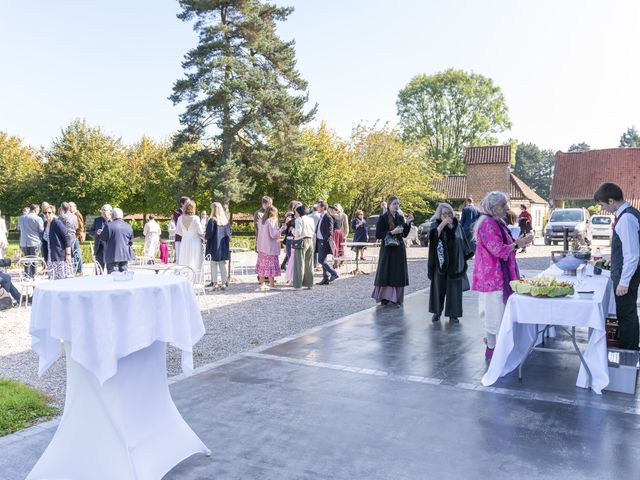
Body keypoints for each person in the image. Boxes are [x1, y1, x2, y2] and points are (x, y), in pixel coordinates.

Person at [472, 192, 533, 359]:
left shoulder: (495, 221)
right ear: (493, 208)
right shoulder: (488, 224)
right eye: (503, 205)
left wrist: (517, 243)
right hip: (493, 277)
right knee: (494, 313)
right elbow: (498, 249)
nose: (507, 208)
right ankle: (492, 348)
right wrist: (519, 243)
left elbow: (504, 245)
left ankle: (496, 347)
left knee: (497, 311)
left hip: (496, 275)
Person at [594, 182, 640, 350]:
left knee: (626, 315)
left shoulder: (626, 218)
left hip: (625, 276)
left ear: (611, 201)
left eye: (602, 204)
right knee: (626, 314)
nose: (602, 208)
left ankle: (629, 353)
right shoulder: (628, 214)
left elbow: (633, 255)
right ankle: (629, 349)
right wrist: (614, 260)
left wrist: (624, 282)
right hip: (623, 272)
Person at [428, 203, 473, 323]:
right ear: (439, 215)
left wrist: (467, 255)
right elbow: (432, 240)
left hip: (455, 264)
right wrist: (442, 225)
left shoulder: (458, 226)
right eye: (444, 214)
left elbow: (463, 241)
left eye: (450, 213)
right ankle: (437, 312)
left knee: (454, 291)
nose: (448, 216)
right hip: (441, 264)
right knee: (438, 289)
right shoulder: (436, 225)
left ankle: (454, 314)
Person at [371, 196, 413, 306]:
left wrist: (407, 223)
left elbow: (404, 234)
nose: (397, 206)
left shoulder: (399, 217)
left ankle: (395, 299)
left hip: (398, 249)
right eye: (394, 204)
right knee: (386, 272)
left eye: (398, 204)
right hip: (388, 250)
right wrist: (391, 232)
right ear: (389, 205)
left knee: (397, 273)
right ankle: (385, 297)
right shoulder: (383, 218)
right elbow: (378, 234)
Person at [41, 204, 74, 280]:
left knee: (61, 281)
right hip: (51, 257)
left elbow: (67, 237)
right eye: (45, 213)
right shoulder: (46, 224)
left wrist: (68, 254)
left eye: (49, 212)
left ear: (53, 213)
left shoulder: (57, 223)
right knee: (52, 280)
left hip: (60, 257)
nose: (47, 214)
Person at [205, 202, 231, 290]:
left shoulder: (212, 220)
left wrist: (204, 236)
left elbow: (209, 234)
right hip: (223, 246)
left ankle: (214, 284)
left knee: (213, 264)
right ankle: (224, 283)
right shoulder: (226, 221)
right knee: (222, 264)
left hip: (213, 245)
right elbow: (229, 235)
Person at [176, 199, 205, 277]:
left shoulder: (180, 218)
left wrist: (186, 234)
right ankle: (195, 278)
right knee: (195, 259)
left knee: (184, 258)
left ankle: (184, 277)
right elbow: (201, 231)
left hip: (184, 240)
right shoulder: (195, 218)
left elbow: (178, 232)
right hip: (195, 241)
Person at [100, 208, 134, 273]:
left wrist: (100, 233)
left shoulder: (108, 226)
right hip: (125, 255)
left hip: (112, 255)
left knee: (113, 277)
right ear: (122, 216)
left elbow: (103, 238)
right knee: (124, 276)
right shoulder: (128, 226)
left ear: (112, 216)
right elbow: (131, 241)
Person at [255, 205, 281, 289]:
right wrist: (282, 228)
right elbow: (273, 235)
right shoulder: (271, 221)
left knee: (262, 266)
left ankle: (262, 283)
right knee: (270, 267)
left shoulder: (261, 221)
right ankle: (272, 284)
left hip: (262, 247)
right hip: (270, 247)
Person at [315, 201, 339, 285]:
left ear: (323, 208)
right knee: (323, 260)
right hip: (319, 241)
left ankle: (334, 273)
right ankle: (325, 278)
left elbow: (330, 232)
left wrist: (323, 241)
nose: (316, 208)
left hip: (324, 242)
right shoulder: (321, 216)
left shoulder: (328, 217)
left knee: (321, 260)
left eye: (318, 206)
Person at [17, 204, 44, 277]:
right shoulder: (38, 218)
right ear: (35, 210)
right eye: (38, 210)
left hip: (23, 242)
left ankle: (27, 275)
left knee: (26, 259)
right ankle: (34, 275)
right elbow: (41, 229)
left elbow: (18, 228)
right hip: (34, 241)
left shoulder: (21, 218)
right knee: (34, 260)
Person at [293, 204, 315, 289]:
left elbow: (297, 233)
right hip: (310, 240)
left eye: (296, 212)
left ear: (299, 212)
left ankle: (298, 285)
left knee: (299, 263)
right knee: (309, 263)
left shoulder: (299, 220)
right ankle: (309, 284)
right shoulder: (311, 219)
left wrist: (292, 230)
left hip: (301, 241)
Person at [90, 204, 112, 272]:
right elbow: (91, 232)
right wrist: (96, 232)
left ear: (110, 211)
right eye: (102, 210)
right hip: (99, 247)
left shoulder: (113, 221)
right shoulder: (97, 220)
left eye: (104, 210)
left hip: (110, 248)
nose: (102, 212)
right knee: (99, 269)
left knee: (110, 269)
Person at [281, 200, 301, 271]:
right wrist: (286, 223)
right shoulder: (291, 215)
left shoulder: (297, 216)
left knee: (292, 256)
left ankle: (287, 268)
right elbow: (285, 227)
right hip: (291, 237)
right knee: (291, 256)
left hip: (294, 238)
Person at [69, 202, 85, 276]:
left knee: (77, 254)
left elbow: (80, 227)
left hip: (75, 237)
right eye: (69, 206)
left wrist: (77, 236)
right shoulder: (72, 214)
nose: (69, 208)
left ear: (75, 207)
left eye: (71, 206)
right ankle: (77, 270)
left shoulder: (77, 214)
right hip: (74, 236)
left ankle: (79, 270)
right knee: (75, 254)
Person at [172, 196, 190, 263]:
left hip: (188, 237)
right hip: (180, 236)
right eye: (187, 202)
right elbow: (178, 223)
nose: (189, 204)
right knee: (179, 256)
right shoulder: (177, 212)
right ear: (182, 204)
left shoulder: (190, 212)